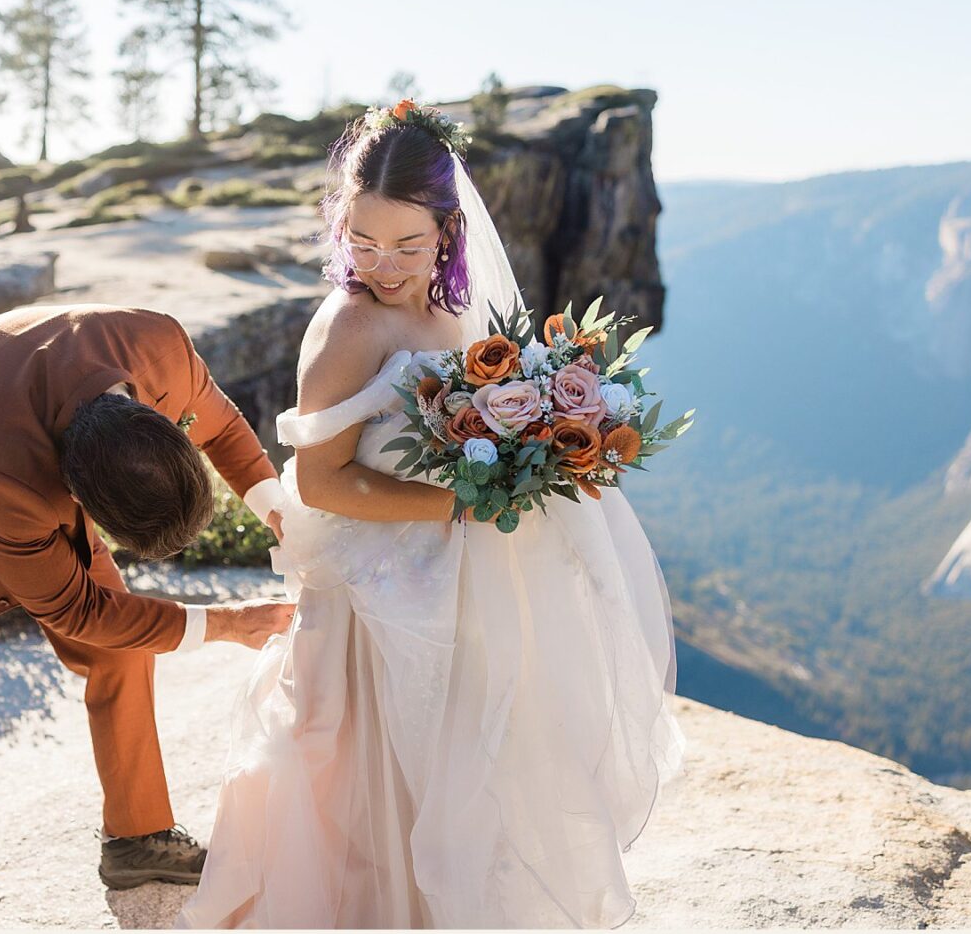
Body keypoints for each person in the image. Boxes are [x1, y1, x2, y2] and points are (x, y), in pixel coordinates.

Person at [177, 101, 687, 929]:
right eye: (365, 240)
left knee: (462, 776)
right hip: (373, 602)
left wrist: (540, 456)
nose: (385, 264)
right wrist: (460, 501)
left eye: (409, 245)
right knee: (368, 795)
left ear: (449, 230)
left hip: (453, 584)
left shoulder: (457, 311)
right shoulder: (347, 328)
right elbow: (323, 484)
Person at [0, 303, 296, 929]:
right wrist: (228, 624)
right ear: (74, 493)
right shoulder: (4, 467)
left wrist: (281, 515)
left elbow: (225, 429)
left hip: (13, 453)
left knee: (123, 649)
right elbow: (79, 609)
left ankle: (136, 840)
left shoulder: (161, 348)